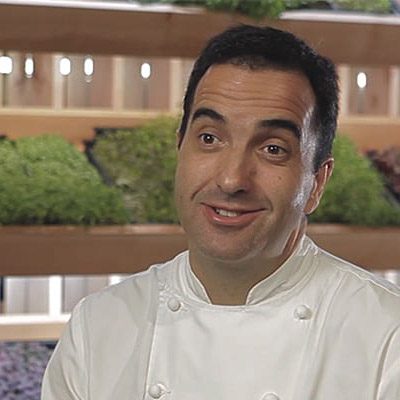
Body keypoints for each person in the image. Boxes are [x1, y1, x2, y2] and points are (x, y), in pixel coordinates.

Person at [41, 25, 400, 400]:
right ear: (180, 150)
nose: (231, 180)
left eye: (273, 149)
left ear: (317, 183)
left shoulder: (387, 338)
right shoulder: (97, 328)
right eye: (209, 138)